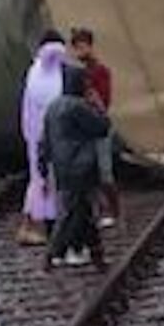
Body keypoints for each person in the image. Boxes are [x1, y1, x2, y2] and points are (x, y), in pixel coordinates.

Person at [40, 64, 110, 270]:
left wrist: (43, 167)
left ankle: (97, 256)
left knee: (82, 211)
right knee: (75, 213)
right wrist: (98, 105)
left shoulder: (53, 107)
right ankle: (52, 253)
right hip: (82, 167)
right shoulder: (79, 107)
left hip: (62, 169)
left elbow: (44, 142)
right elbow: (102, 128)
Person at [18, 30, 66, 246]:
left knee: (39, 179)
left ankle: (35, 226)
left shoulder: (34, 71)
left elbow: (27, 108)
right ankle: (38, 226)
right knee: (51, 181)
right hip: (53, 135)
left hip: (36, 135)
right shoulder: (60, 72)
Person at [69, 26, 119, 227]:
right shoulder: (76, 72)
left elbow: (104, 100)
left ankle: (113, 210)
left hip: (98, 125)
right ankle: (100, 210)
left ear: (90, 46)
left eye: (83, 46)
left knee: (104, 171)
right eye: (77, 47)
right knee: (90, 172)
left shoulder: (100, 71)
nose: (80, 51)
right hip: (83, 127)